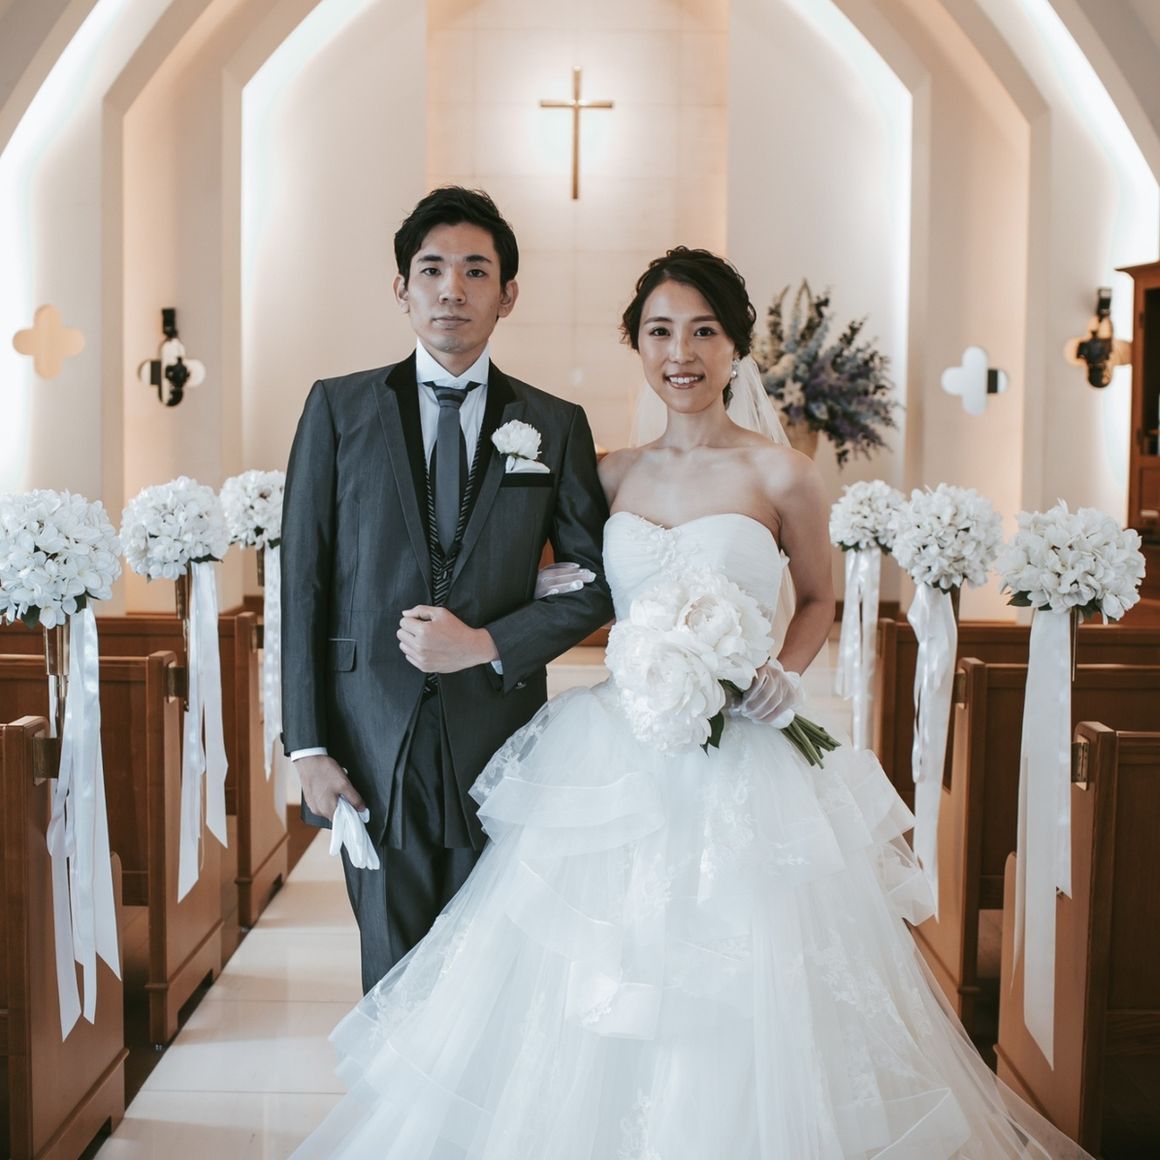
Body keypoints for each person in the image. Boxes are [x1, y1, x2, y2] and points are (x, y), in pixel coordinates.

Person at [293, 248, 1090, 1159]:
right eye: (661, 332)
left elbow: (818, 599)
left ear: (735, 348)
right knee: (593, 971)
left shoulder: (783, 474)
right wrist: (511, 607)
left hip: (744, 747)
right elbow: (566, 576)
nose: (682, 353)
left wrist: (785, 672)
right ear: (637, 345)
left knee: (744, 973)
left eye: (704, 332)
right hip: (617, 746)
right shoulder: (605, 470)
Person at [280, 187, 613, 994]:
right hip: (369, 736)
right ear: (402, 288)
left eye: (475, 271)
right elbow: (303, 583)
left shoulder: (555, 423)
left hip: (500, 738)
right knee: (392, 974)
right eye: (431, 270)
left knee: (486, 978)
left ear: (508, 294)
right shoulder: (338, 409)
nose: (451, 289)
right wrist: (308, 749)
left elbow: (596, 585)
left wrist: (489, 642)